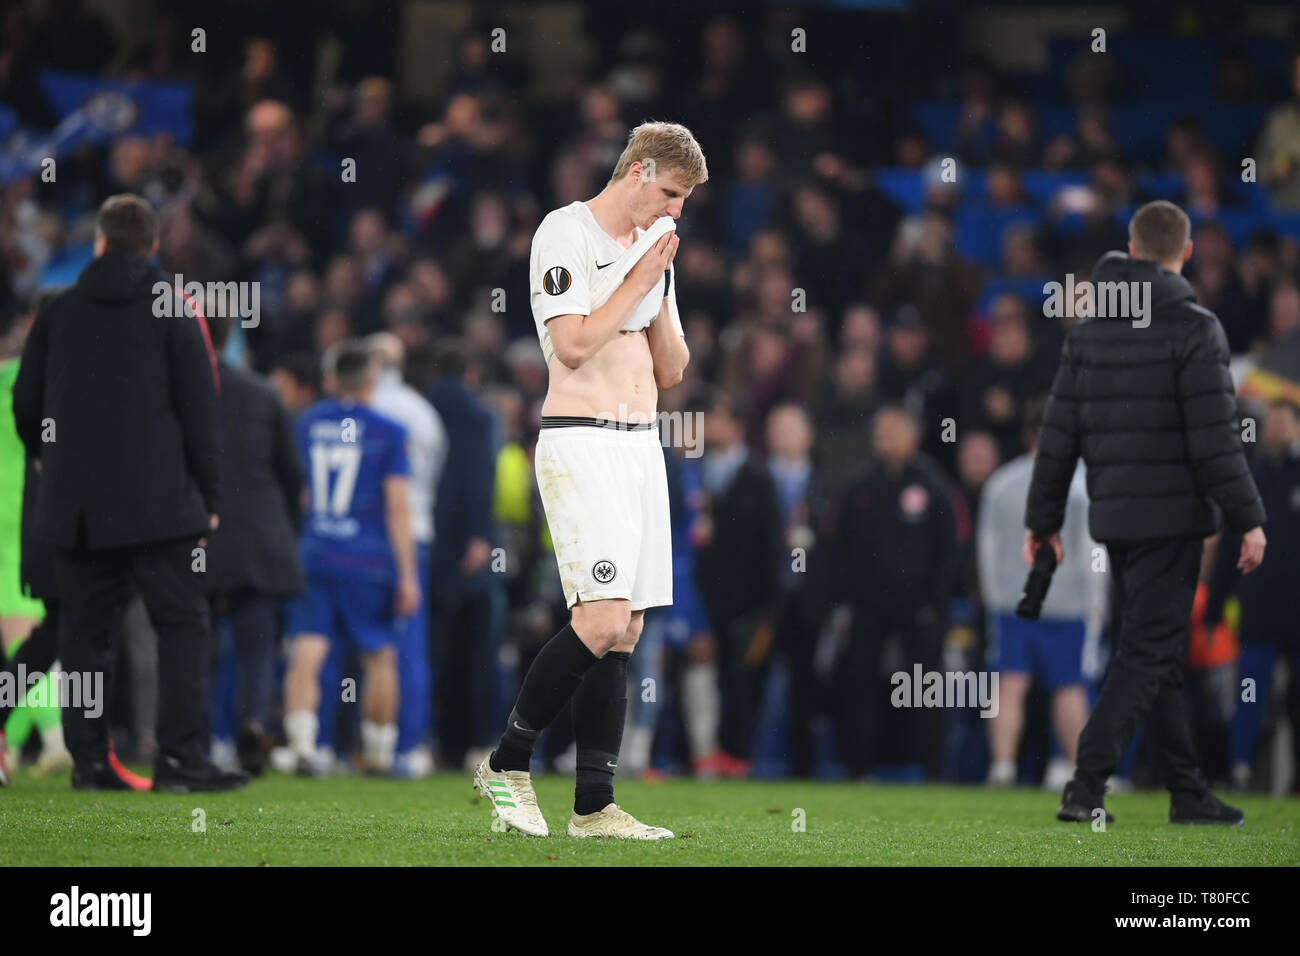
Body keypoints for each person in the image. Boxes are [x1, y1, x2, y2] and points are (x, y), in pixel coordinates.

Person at [473, 121, 706, 839]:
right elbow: (571, 345)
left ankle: (594, 807)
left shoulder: (652, 250)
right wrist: (637, 275)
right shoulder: (564, 233)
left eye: (684, 202)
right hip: (583, 442)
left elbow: (671, 372)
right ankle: (506, 762)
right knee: (599, 618)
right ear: (637, 171)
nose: (674, 211)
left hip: (640, 446)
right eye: (669, 193)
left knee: (626, 629)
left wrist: (660, 283)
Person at [1027, 199, 1267, 825]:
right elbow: (1218, 440)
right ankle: (1086, 784)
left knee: (1156, 652)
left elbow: (1057, 437)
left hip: (1115, 521)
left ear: (1131, 252)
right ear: (1185, 254)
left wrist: (1042, 521)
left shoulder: (1089, 332)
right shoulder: (1195, 328)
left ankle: (1187, 791)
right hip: (1174, 521)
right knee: (1147, 651)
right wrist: (1249, 517)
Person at [11, 194, 246, 792]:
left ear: (100, 241)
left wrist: (50, 457)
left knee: (84, 636)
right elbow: (201, 409)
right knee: (182, 626)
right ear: (154, 244)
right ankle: (177, 758)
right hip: (160, 503)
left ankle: (90, 763)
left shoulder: (58, 312)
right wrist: (210, 495)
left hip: (77, 508)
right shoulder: (176, 308)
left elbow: (26, 400)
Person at [282, 341, 419, 775]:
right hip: (368, 558)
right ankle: (379, 752)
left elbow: (300, 492)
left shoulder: (306, 423)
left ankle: (302, 745)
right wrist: (409, 574)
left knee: (308, 647)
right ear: (371, 380)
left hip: (316, 550)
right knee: (379, 656)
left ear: (331, 379)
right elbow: (397, 506)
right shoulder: (389, 431)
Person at [979, 397, 1101, 788]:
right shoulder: (1082, 486)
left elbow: (986, 549)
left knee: (1011, 684)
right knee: (1068, 688)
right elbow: (1095, 554)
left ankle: (1002, 767)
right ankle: (1080, 772)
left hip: (1014, 603)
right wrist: (1098, 604)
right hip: (1067, 604)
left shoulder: (1001, 483)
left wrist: (993, 599)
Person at [202, 313, 305, 775]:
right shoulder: (264, 394)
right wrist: (287, 527)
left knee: (194, 644)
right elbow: (291, 474)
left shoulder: (175, 389)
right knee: (256, 648)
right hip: (260, 537)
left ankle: (194, 738)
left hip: (197, 535)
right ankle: (250, 723)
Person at [1205, 399, 1300, 788]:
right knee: (1248, 696)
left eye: (1283, 423)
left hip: (1297, 614)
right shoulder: (1251, 479)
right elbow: (1229, 548)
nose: (1275, 430)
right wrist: (1213, 611)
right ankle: (1240, 768)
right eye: (1271, 423)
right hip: (1258, 611)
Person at [365, 332, 447, 777]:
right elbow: (434, 475)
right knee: (409, 645)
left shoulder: (363, 409)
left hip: (368, 535)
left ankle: (340, 743)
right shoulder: (422, 412)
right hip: (414, 532)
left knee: (361, 644)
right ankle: (409, 745)